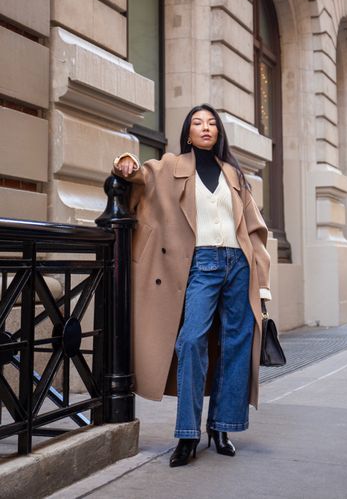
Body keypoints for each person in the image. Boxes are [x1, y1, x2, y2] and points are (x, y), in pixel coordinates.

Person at [113, 104, 271, 467]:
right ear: (188, 131)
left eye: (212, 123)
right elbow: (139, 175)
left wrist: (261, 280)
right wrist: (124, 161)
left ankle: (222, 427)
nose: (205, 128)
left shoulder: (233, 172)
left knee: (236, 344)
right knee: (191, 340)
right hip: (202, 264)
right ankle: (187, 433)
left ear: (218, 133)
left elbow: (252, 228)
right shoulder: (171, 165)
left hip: (239, 266)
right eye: (198, 123)